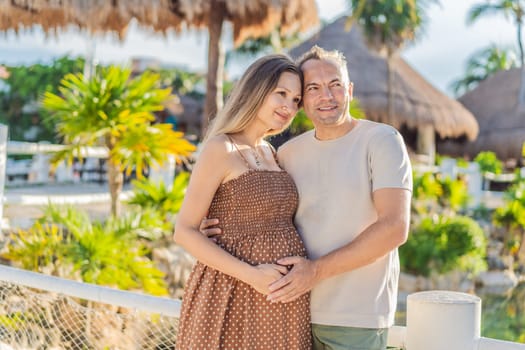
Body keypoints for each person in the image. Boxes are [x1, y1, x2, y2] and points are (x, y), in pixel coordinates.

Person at [201, 45, 412, 350]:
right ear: (303, 102)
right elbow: (261, 210)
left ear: (349, 90)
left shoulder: (382, 140)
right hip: (286, 310)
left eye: (335, 85)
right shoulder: (285, 154)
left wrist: (315, 272)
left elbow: (394, 227)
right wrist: (218, 229)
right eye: (313, 88)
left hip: (355, 318)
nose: (326, 96)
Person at [173, 54, 311, 349]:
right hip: (232, 292)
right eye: (281, 94)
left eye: (296, 99)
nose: (289, 107)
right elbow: (184, 230)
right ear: (257, 90)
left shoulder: (272, 153)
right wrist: (252, 275)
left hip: (280, 300)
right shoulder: (220, 148)